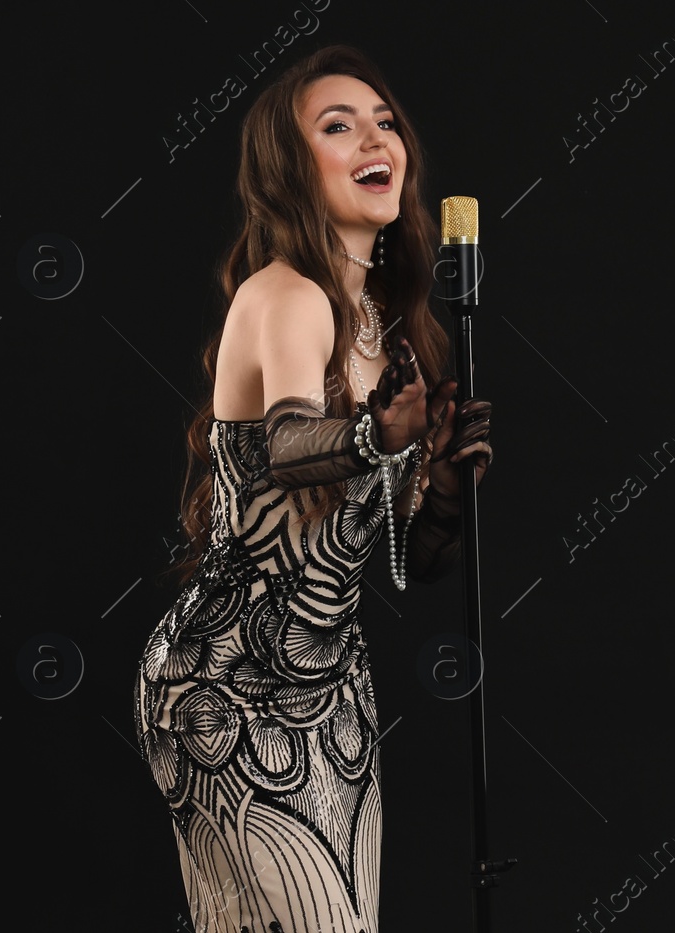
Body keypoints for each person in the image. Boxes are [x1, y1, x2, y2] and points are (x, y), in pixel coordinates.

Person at [132, 44, 492, 933]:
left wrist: (442, 480)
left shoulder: (391, 333)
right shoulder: (286, 294)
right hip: (225, 682)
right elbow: (294, 446)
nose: (376, 137)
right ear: (291, 168)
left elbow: (417, 558)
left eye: (385, 121)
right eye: (338, 126)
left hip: (331, 694)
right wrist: (380, 434)